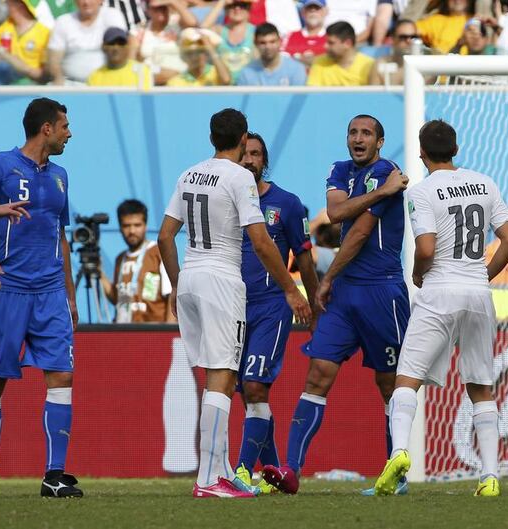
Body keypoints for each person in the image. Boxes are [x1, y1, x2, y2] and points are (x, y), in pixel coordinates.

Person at [158, 108, 312, 498]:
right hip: (222, 280)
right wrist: (291, 289)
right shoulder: (240, 177)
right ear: (243, 139)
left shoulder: (189, 173)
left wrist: (176, 286)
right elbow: (260, 241)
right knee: (224, 378)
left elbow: (164, 237)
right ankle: (209, 479)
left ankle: (222, 469)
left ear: (212, 137)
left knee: (216, 374)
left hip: (191, 276)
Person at [262, 115, 410, 496]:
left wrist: (325, 281)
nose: (358, 138)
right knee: (317, 375)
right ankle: (291, 470)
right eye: (353, 132)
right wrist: (381, 193)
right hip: (345, 294)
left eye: (366, 134)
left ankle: (396, 475)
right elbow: (338, 213)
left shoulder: (387, 169)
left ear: (380, 142)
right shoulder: (341, 170)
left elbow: (360, 232)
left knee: (389, 384)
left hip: (382, 291)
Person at [373, 119, 508, 497]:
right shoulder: (484, 183)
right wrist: (483, 274)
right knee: (481, 386)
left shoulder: (421, 192)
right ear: (456, 149)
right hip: (477, 292)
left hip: (439, 291)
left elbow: (424, 249)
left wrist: (420, 275)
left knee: (407, 379)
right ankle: (489, 477)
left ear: (421, 152)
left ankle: (400, 452)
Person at [0, 98, 83, 500]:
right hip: (9, 291)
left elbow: (60, 236)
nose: (70, 132)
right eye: (65, 125)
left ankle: (54, 475)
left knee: (62, 377)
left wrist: (69, 295)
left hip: (50, 293)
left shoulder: (62, 176)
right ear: (46, 128)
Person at [231, 132, 320, 494]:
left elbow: (303, 257)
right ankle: (274, 473)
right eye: (244, 154)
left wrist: (315, 305)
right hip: (232, 307)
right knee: (247, 392)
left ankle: (239, 470)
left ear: (263, 160)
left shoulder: (287, 203)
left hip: (270, 307)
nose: (249, 160)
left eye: (255, 154)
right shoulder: (225, 200)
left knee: (255, 386)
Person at [100, 199, 174, 323]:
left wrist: (168, 335)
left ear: (145, 225)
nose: (132, 231)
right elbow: (118, 299)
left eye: (137, 225)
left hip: (154, 333)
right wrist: (98, 272)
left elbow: (173, 296)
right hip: (125, 333)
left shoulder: (158, 253)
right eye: (126, 226)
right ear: (120, 227)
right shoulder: (120, 259)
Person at [47, 0, 126, 84]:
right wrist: (58, 80)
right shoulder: (63, 21)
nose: (86, 2)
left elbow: (120, 52)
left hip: (106, 83)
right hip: (69, 84)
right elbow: (53, 61)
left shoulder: (112, 16)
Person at [129, 0, 197, 85]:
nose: (160, 11)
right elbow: (130, 64)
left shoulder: (176, 25)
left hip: (179, 82)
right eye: (156, 8)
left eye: (164, 7)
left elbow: (193, 24)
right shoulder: (138, 31)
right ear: (148, 10)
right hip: (150, 81)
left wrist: (172, 2)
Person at [0, 0, 50, 83]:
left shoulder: (45, 33)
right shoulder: (0, 27)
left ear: (20, 5)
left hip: (31, 85)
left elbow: (44, 75)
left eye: (6, 3)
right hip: (1, 81)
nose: (1, 6)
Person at [201, 0, 256, 83]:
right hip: (223, 88)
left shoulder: (255, 32)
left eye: (242, 5)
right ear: (226, 9)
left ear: (249, 9)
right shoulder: (219, 31)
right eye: (232, 6)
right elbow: (203, 29)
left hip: (248, 88)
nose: (237, 8)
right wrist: (222, 2)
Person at [236, 23, 306, 86]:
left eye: (272, 42)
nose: (268, 47)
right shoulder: (247, 72)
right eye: (263, 43)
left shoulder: (296, 69)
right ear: (256, 44)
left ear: (279, 42)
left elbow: (298, 98)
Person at [307, 21, 374, 86]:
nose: (325, 46)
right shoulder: (320, 62)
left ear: (348, 43)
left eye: (331, 43)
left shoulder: (368, 65)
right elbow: (312, 93)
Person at [87, 27, 153, 88]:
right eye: (111, 43)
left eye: (121, 43)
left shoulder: (141, 71)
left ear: (128, 46)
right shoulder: (95, 77)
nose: (116, 48)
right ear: (103, 47)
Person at [166, 28, 231, 86]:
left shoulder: (216, 72)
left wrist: (210, 47)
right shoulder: (175, 82)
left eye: (200, 51)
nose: (195, 56)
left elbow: (226, 80)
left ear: (206, 54)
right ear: (184, 57)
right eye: (190, 53)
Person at [368, 19, 418, 86]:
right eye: (403, 37)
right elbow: (373, 95)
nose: (409, 41)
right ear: (392, 39)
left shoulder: (425, 65)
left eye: (413, 37)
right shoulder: (380, 65)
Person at [282, 0, 328, 68]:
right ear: (302, 12)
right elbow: (281, 59)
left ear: (325, 12)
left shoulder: (332, 37)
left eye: (317, 9)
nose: (313, 12)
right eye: (309, 9)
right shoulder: (290, 36)